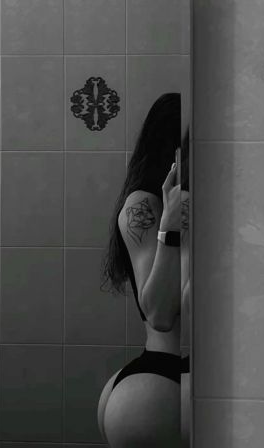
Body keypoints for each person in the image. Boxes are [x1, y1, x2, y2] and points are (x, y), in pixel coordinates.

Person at [97, 93, 189, 448]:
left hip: (157, 389)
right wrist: (170, 228)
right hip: (158, 382)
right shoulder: (144, 205)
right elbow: (159, 314)